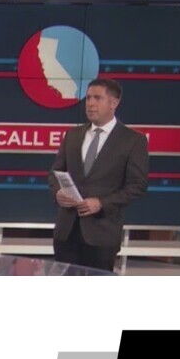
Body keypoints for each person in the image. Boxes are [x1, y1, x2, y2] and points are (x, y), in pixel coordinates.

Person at [47, 78, 148, 272]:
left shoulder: (133, 140)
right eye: (88, 98)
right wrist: (58, 192)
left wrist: (101, 202)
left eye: (97, 98)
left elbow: (137, 185)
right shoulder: (73, 135)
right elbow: (54, 173)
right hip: (67, 232)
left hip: (102, 234)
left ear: (114, 103)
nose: (90, 104)